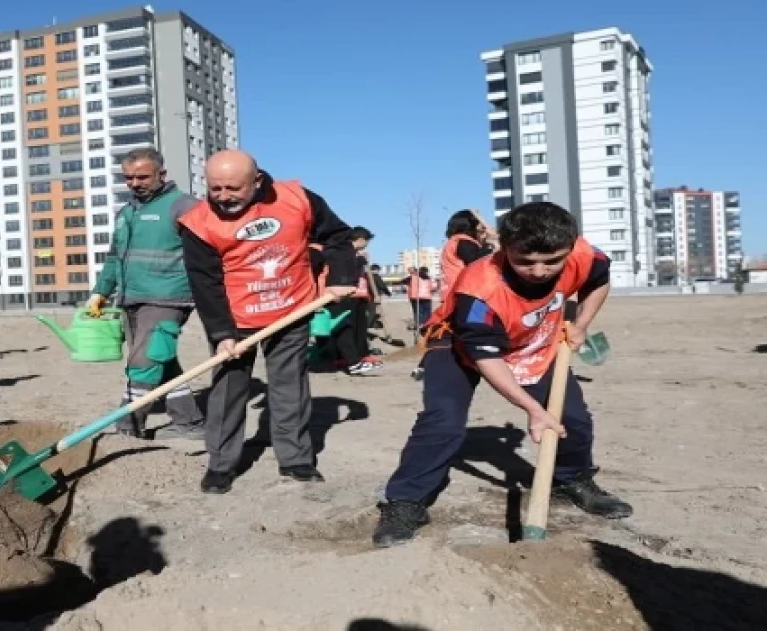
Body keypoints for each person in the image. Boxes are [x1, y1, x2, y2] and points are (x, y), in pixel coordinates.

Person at [372, 202, 632, 548]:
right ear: (504, 248)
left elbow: (598, 281)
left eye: (551, 261)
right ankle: (406, 502)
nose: (538, 271)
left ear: (570, 247)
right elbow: (486, 358)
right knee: (443, 419)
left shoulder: (584, 255)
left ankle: (574, 480)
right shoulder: (479, 289)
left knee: (572, 417)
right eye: (525, 261)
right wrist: (533, 409)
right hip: (457, 345)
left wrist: (582, 324)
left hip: (531, 339)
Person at [178, 149, 358, 494]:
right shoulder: (199, 222)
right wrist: (221, 333)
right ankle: (221, 465)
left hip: (290, 309)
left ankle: (296, 460)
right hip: (235, 316)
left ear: (257, 181)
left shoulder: (297, 198)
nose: (223, 197)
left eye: (232, 188)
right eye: (215, 189)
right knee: (228, 390)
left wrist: (341, 274)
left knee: (289, 386)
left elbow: (337, 236)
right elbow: (205, 282)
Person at [86, 148, 205, 439]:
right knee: (161, 360)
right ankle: (189, 422)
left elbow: (208, 255)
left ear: (161, 174)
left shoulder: (184, 206)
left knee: (144, 361)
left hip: (168, 297)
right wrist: (100, 292)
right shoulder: (127, 213)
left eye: (142, 177)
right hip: (130, 298)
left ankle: (129, 426)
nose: (134, 183)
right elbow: (115, 258)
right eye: (128, 178)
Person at [411, 209, 498, 380]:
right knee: (472, 330)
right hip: (464, 293)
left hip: (454, 294)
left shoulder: (452, 243)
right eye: (478, 226)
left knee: (451, 333)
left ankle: (425, 366)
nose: (482, 230)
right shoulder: (464, 242)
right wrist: (489, 246)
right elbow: (476, 261)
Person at [311, 227, 381, 374]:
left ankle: (340, 361)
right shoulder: (320, 250)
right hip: (325, 295)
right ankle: (348, 362)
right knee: (339, 328)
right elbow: (319, 275)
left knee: (338, 328)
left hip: (329, 294)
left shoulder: (326, 249)